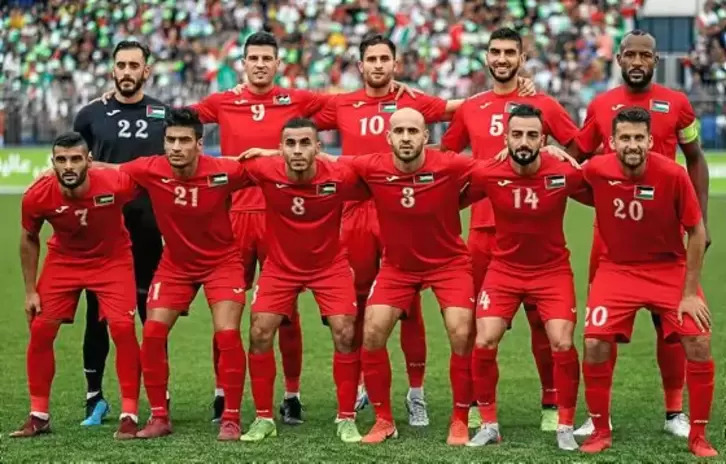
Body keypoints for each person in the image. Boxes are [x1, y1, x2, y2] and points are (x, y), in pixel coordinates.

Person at [311, 33, 465, 422]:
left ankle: (416, 393)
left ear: (396, 64)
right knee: (361, 302)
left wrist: (520, 92)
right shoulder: (341, 103)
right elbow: (292, 119)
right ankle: (364, 384)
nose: (378, 65)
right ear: (360, 66)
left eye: (385, 59)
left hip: (400, 209)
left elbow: (463, 109)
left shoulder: (413, 102)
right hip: (355, 212)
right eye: (372, 59)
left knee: (409, 305)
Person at [439, 26, 580, 431]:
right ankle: (475, 408)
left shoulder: (543, 105)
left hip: (535, 234)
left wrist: (553, 152)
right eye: (495, 52)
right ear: (487, 57)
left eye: (509, 52)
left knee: (543, 325)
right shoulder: (471, 107)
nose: (502, 59)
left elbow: (578, 147)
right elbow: (447, 155)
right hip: (483, 233)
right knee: (477, 328)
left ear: (522, 58)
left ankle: (551, 403)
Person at [573, 30, 711, 438]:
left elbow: (695, 158)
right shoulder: (601, 105)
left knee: (672, 327)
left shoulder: (678, 104)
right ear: (618, 58)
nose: (637, 62)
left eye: (644, 56)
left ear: (655, 60)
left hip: (665, 234)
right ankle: (599, 416)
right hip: (611, 236)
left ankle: (674, 412)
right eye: (630, 55)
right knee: (601, 329)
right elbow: (577, 156)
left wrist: (701, 220)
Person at [93, 108, 252, 441]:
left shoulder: (224, 171)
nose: (176, 147)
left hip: (222, 263)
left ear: (199, 143)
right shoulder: (151, 168)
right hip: (176, 264)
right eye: (170, 140)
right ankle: (160, 417)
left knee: (227, 335)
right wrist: (72, 167)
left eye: (184, 140)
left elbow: (265, 172)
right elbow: (112, 169)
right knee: (152, 333)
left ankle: (231, 418)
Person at [332, 107, 478, 445]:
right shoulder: (372, 166)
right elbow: (323, 161)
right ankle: (384, 420)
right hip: (398, 267)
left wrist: (548, 153)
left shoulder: (449, 164)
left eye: (413, 131)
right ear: (389, 137)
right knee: (371, 331)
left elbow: (494, 169)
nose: (406, 138)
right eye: (399, 132)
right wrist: (268, 152)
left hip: (449, 264)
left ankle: (459, 419)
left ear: (426, 136)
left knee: (461, 331)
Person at [238, 118, 368, 444]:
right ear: (280, 148)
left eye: (305, 143)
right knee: (259, 331)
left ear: (318, 148)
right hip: (281, 267)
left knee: (346, 331)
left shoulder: (339, 175)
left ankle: (346, 417)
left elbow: (378, 169)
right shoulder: (266, 170)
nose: (297, 150)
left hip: (329, 266)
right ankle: (264, 418)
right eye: (290, 144)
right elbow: (221, 167)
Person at [460, 105, 583, 451]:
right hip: (504, 271)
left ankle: (565, 425)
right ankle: (489, 424)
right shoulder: (488, 173)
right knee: (485, 340)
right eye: (517, 134)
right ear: (506, 138)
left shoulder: (563, 172)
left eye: (532, 135)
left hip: (552, 271)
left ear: (543, 140)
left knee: (562, 342)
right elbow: (451, 197)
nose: (524, 141)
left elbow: (603, 187)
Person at [11, 132, 142, 439]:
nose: (68, 166)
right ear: (52, 163)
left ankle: (130, 414)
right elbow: (29, 237)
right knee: (41, 330)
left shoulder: (115, 183)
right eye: (61, 160)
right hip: (64, 260)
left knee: (123, 328)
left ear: (89, 161)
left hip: (112, 260)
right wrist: (30, 291)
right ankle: (39, 415)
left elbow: (154, 182)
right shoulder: (37, 195)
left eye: (75, 159)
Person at [72, 40, 165, 426]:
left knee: (151, 315)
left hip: (149, 230)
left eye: (134, 66)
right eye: (121, 65)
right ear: (113, 70)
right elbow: (76, 168)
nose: (127, 72)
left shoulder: (163, 114)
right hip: (104, 232)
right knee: (97, 314)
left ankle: (159, 396)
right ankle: (95, 398)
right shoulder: (89, 115)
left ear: (146, 71)